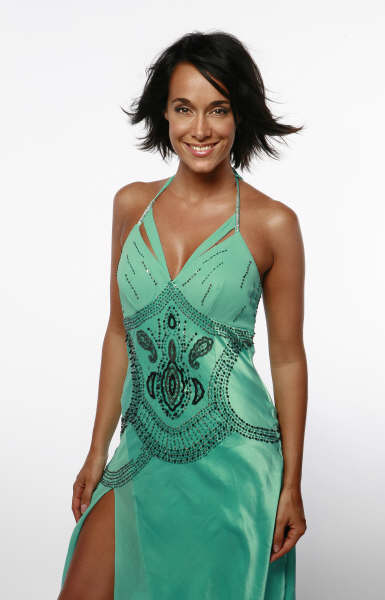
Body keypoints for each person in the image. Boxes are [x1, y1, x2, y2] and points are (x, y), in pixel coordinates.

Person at [58, 30, 307, 600]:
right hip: (141, 450)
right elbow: (119, 333)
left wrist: (291, 483)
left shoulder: (273, 224)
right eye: (184, 108)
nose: (201, 129)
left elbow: (289, 359)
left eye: (218, 109)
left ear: (239, 115)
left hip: (235, 461)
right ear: (164, 114)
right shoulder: (130, 205)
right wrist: (97, 450)